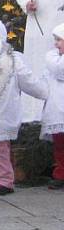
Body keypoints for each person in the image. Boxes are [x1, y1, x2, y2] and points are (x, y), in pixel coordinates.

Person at [0, 20, 48, 195]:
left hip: (3, 112)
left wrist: (44, 92)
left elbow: (27, 80)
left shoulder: (13, 59)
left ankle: (4, 179)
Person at [41, 23, 64, 190]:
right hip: (57, 109)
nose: (56, 44)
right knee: (60, 145)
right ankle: (60, 173)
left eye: (59, 40)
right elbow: (59, 70)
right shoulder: (52, 57)